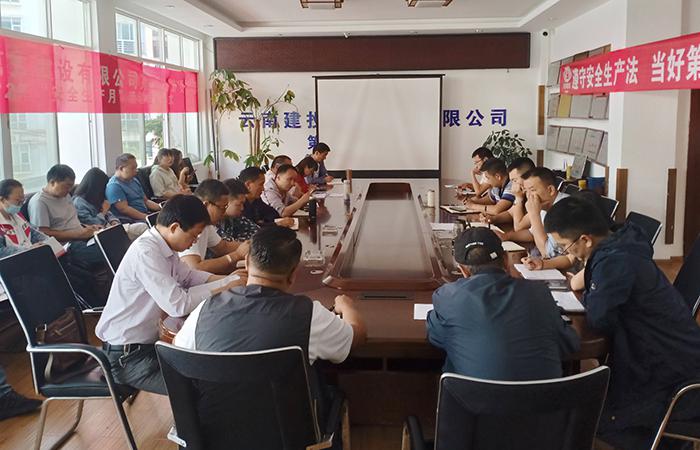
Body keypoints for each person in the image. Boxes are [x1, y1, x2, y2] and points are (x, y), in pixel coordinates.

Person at [173, 225, 366, 443]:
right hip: (287, 438)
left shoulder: (205, 310)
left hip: (212, 435)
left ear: (247, 263)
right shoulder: (308, 314)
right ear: (293, 274)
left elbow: (180, 354)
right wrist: (347, 306)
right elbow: (355, 338)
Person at [544, 197, 700, 450]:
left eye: (565, 246)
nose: (567, 253)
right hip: (668, 355)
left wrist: (591, 291)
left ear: (586, 239)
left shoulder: (616, 261)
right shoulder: (622, 243)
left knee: (593, 419)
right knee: (590, 406)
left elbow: (599, 319)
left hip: (671, 374)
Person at [95, 195, 246, 394]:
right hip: (128, 357)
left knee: (211, 370)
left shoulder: (164, 245)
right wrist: (225, 286)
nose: (195, 241)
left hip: (152, 344)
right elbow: (178, 305)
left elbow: (189, 277)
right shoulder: (146, 252)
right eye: (194, 236)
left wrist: (228, 280)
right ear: (175, 227)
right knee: (200, 389)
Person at [426, 227, 579, 380]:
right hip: (545, 395)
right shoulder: (539, 293)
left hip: (472, 395)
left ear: (463, 270)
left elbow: (437, 336)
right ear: (506, 260)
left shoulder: (448, 297)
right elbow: (569, 343)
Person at [27, 164, 103, 267]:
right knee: (105, 252)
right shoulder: (39, 202)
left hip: (82, 237)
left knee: (112, 242)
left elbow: (70, 220)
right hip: (67, 245)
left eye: (71, 186)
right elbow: (43, 233)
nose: (69, 189)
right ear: (52, 182)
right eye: (67, 186)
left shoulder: (65, 196)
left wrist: (88, 228)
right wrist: (77, 234)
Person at [179, 179, 249, 275]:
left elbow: (223, 247)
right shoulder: (189, 221)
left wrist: (252, 245)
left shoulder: (206, 223)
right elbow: (195, 267)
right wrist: (236, 255)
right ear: (206, 205)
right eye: (222, 208)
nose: (224, 212)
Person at [73, 168, 147, 240]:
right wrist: (104, 212)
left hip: (111, 228)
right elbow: (94, 225)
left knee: (143, 227)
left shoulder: (96, 197)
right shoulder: (79, 203)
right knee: (142, 228)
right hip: (101, 233)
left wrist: (114, 221)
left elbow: (109, 214)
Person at [478, 157, 535, 229]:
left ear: (528, 177)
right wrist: (493, 219)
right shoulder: (524, 193)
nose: (512, 185)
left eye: (514, 180)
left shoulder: (535, 196)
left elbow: (518, 227)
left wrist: (518, 199)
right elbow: (510, 213)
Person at [106, 153, 161, 223]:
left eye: (136, 167)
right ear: (121, 168)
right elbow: (124, 209)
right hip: (132, 220)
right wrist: (147, 217)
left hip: (145, 214)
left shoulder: (134, 180)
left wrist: (161, 209)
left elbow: (146, 201)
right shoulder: (114, 186)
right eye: (133, 168)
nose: (136, 170)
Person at [0, 179, 48, 257]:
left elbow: (34, 233)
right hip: (14, 261)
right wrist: (28, 250)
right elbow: (1, 251)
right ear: (2, 199)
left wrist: (48, 242)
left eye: (22, 201)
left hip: (30, 256)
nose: (20, 205)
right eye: (17, 201)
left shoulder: (17, 215)